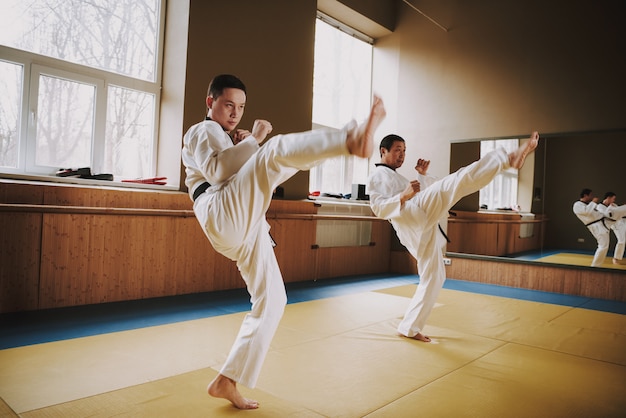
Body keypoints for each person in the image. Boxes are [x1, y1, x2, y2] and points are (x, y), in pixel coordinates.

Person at [181, 74, 386, 409]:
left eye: (241, 107)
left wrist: (245, 146)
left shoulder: (229, 137)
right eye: (228, 104)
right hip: (219, 210)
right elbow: (218, 172)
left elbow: (232, 168)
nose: (235, 113)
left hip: (245, 225)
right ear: (211, 102)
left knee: (273, 300)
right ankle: (350, 140)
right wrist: (255, 141)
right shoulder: (202, 130)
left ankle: (227, 379)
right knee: (274, 152)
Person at [367, 132, 539, 342]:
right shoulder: (376, 176)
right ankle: (505, 159)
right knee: (454, 182)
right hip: (414, 223)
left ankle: (409, 327)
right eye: (397, 150)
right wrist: (403, 196)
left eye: (404, 151)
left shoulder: (397, 177)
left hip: (422, 224)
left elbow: (422, 193)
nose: (402, 155)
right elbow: (377, 208)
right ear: (383, 151)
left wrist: (422, 175)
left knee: (435, 276)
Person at [572, 189, 611, 267]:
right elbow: (587, 212)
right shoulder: (577, 205)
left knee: (604, 245)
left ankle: (596, 265)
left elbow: (598, 211)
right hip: (595, 226)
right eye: (591, 195)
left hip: (602, 222)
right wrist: (593, 202)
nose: (592, 197)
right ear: (585, 195)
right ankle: (595, 266)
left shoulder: (589, 204)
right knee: (603, 245)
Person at [598, 192, 626, 264]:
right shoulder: (600, 206)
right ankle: (616, 258)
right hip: (614, 224)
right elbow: (608, 215)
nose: (614, 201)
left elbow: (619, 212)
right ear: (608, 198)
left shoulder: (614, 205)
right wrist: (612, 208)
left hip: (622, 221)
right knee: (622, 240)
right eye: (613, 199)